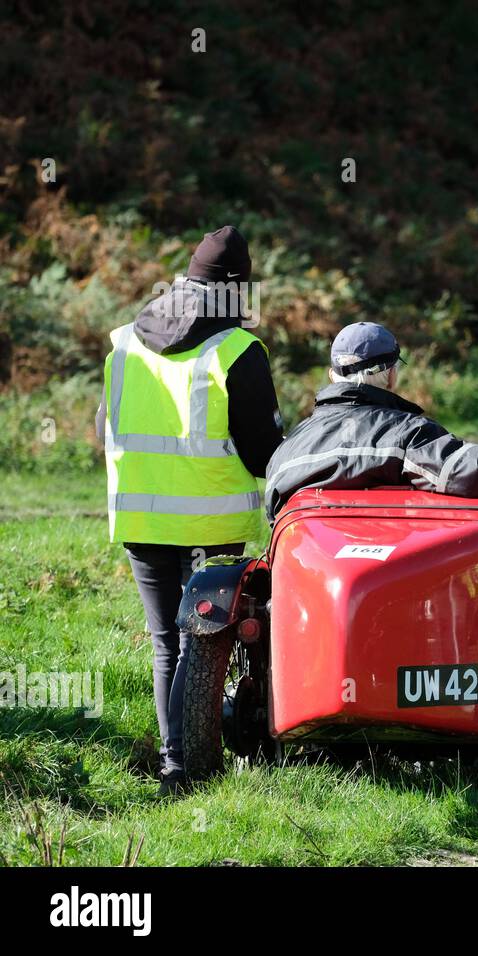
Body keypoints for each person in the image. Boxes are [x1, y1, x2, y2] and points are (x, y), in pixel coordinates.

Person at [97, 225, 283, 795]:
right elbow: (263, 454)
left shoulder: (125, 341)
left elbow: (107, 426)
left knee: (165, 643)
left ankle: (173, 765)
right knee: (201, 643)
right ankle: (187, 762)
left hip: (141, 519)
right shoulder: (238, 351)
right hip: (209, 521)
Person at [263, 323, 478, 532]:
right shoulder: (405, 434)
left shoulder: (287, 450)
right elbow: (474, 473)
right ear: (391, 375)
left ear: (332, 376)